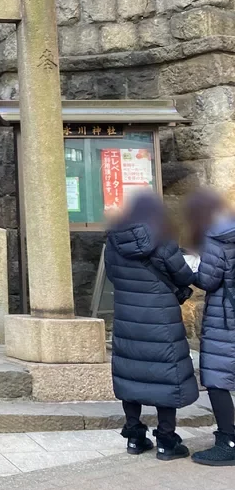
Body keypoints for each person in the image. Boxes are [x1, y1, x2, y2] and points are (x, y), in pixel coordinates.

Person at [105, 192, 198, 460]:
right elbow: (182, 273)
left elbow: (113, 274)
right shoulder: (162, 236)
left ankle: (134, 437)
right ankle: (166, 442)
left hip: (128, 318)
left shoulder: (113, 238)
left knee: (131, 373)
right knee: (165, 376)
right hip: (161, 319)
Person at [185, 188, 235, 466]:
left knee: (218, 379)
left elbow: (209, 279)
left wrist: (191, 270)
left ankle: (227, 441)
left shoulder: (217, 236)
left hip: (225, 317)